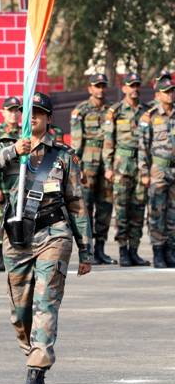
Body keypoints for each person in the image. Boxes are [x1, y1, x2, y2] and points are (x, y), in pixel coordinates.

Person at [0, 92, 93, 384]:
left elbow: (77, 202)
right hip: (18, 237)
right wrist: (12, 151)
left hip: (55, 234)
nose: (33, 117)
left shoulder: (64, 154)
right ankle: (33, 351)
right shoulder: (8, 147)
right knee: (20, 311)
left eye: (39, 112)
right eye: (29, 112)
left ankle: (36, 374)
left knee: (45, 304)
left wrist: (85, 249)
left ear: (49, 118)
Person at [102, 72, 151, 266]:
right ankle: (123, 250)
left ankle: (134, 250)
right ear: (124, 88)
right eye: (131, 85)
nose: (135, 89)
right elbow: (108, 141)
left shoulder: (147, 112)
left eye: (137, 85)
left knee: (138, 208)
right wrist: (108, 167)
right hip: (122, 165)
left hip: (141, 165)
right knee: (121, 209)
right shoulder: (115, 111)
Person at [70, 73, 115, 265]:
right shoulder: (80, 111)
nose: (100, 89)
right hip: (87, 166)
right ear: (90, 88)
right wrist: (76, 168)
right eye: (97, 86)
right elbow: (76, 144)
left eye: (103, 86)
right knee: (85, 208)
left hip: (107, 165)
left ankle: (100, 250)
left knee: (105, 207)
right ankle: (86, 250)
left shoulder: (112, 110)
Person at [138, 76, 175, 268]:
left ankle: (171, 251)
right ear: (158, 94)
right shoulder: (150, 116)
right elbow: (142, 147)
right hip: (158, 170)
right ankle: (158, 252)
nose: (170, 94)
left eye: (172, 90)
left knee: (173, 214)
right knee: (157, 212)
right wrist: (144, 172)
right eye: (166, 91)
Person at [0, 96, 22, 271]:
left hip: (20, 186)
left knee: (19, 221)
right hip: (2, 186)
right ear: (3, 112)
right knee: (2, 221)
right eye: (10, 110)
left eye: (16, 110)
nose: (14, 114)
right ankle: (1, 257)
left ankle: (16, 255)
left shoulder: (25, 133)